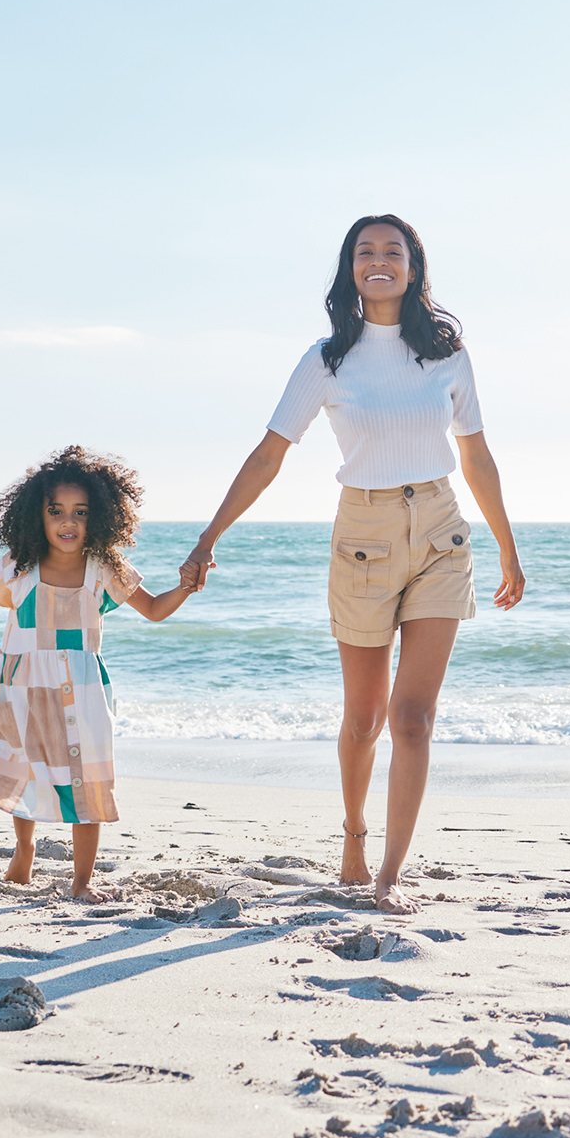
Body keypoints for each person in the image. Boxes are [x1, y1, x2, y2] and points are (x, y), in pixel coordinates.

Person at [179, 214, 524, 914]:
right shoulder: (327, 359)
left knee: (414, 718)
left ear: (413, 267)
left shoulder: (448, 353)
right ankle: (355, 838)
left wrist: (509, 548)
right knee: (364, 718)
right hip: (361, 532)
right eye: (365, 252)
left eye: (392, 252)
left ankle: (390, 876)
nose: (379, 262)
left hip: (439, 531)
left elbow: (476, 455)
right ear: (350, 268)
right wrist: (209, 535)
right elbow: (270, 453)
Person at [0, 446, 195, 902]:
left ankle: (82, 880)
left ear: (99, 516)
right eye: (56, 511)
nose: (68, 522)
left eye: (80, 512)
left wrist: (186, 587)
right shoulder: (20, 566)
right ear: (36, 514)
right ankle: (24, 847)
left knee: (88, 781)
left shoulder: (106, 569)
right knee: (24, 771)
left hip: (83, 692)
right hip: (20, 686)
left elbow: (154, 609)